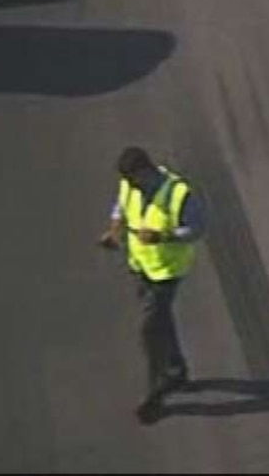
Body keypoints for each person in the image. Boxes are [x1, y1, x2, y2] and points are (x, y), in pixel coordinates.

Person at [99, 146, 202, 423]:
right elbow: (121, 204)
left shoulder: (179, 194)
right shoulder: (130, 184)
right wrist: (114, 229)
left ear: (144, 171)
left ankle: (154, 395)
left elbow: (197, 228)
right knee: (161, 321)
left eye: (133, 179)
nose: (130, 185)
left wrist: (163, 236)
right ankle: (176, 370)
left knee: (150, 330)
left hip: (167, 271)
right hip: (141, 266)